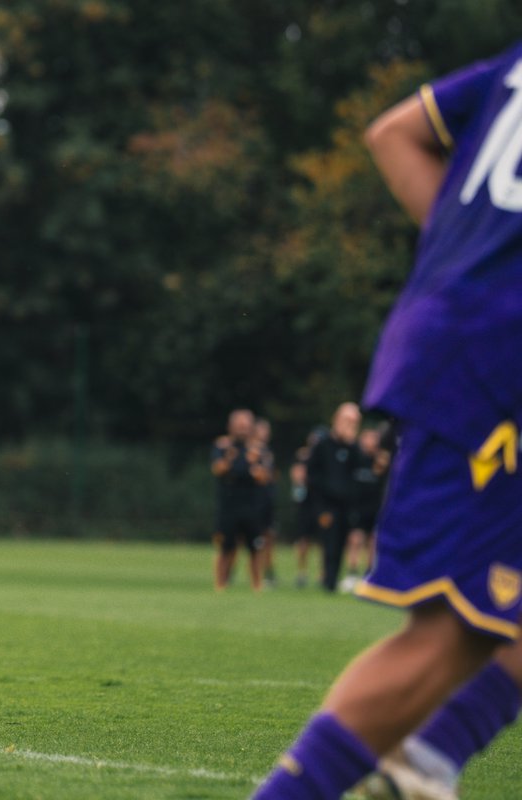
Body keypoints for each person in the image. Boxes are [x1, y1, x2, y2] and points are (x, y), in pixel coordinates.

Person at [253, 41, 522, 799]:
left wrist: (468, 261)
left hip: (459, 339)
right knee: (448, 636)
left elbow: (394, 132)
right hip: (495, 367)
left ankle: (427, 761)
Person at [210, 409, 271, 591]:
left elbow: (264, 477)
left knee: (256, 547)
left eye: (245, 426)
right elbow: (218, 469)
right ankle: (220, 585)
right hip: (229, 505)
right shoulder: (222, 447)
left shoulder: (259, 449)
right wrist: (236, 463)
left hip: (253, 506)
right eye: (239, 426)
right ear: (231, 426)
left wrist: (248, 466)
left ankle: (257, 586)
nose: (242, 430)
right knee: (226, 547)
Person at [306, 402, 361, 593]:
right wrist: (320, 499)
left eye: (353, 422)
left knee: (341, 543)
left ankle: (333, 580)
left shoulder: (354, 448)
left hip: (346, 505)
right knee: (328, 541)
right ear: (336, 419)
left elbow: (360, 473)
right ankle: (327, 581)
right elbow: (312, 474)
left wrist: (353, 445)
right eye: (347, 420)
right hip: (326, 504)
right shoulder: (322, 445)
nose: (349, 425)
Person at [339, 426, 390, 593]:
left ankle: (369, 575)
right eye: (367, 438)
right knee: (355, 539)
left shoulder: (382, 461)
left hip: (376, 507)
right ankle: (352, 573)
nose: (370, 442)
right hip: (357, 507)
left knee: (373, 541)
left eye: (373, 439)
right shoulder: (355, 457)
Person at [291, 426, 326, 589]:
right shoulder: (303, 457)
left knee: (323, 540)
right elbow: (297, 477)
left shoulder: (327, 458)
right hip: (306, 503)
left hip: (321, 502)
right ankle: (302, 572)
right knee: (303, 539)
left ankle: (322, 574)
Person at [253, 417, 279, 586]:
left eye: (267, 430)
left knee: (268, 536)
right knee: (251, 538)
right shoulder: (251, 451)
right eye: (262, 429)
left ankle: (268, 572)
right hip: (254, 501)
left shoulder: (268, 453)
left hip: (267, 501)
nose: (265, 433)